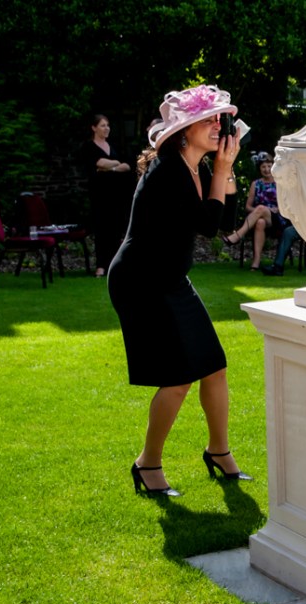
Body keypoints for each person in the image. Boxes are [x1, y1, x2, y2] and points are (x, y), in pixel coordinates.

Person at [108, 85, 252, 497]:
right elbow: (208, 225)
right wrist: (223, 171)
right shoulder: (168, 170)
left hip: (170, 279)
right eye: (209, 120)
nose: (217, 126)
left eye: (218, 120)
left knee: (214, 366)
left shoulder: (197, 169)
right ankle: (147, 463)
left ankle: (219, 452)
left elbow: (224, 224)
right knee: (177, 379)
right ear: (185, 131)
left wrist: (224, 171)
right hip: (142, 282)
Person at [79, 114, 135, 277]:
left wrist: (111, 168)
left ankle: (115, 264)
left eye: (108, 125)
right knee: (102, 229)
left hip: (116, 194)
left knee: (116, 229)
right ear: (94, 128)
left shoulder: (113, 146)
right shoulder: (89, 147)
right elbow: (99, 163)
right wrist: (112, 165)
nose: (107, 128)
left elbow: (125, 165)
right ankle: (101, 265)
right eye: (103, 125)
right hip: (99, 194)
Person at [222, 151, 290, 271]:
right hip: (261, 219)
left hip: (278, 219)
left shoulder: (280, 183)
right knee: (260, 222)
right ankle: (256, 262)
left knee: (261, 209)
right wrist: (261, 210)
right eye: (263, 166)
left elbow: (287, 204)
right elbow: (248, 207)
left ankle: (238, 235)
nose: (266, 169)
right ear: (259, 169)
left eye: (269, 166)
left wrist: (275, 209)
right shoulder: (256, 184)